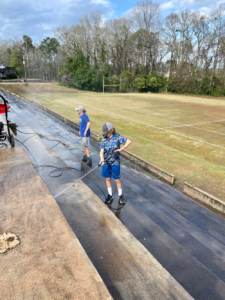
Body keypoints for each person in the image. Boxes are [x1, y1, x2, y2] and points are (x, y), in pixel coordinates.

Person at [99, 122, 131, 204]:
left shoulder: (117, 137)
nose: (105, 134)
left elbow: (129, 141)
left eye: (106, 132)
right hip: (106, 162)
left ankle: (120, 195)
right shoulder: (104, 139)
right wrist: (102, 159)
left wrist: (121, 149)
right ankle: (110, 194)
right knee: (108, 178)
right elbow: (101, 151)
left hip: (115, 163)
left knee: (117, 180)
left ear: (111, 130)